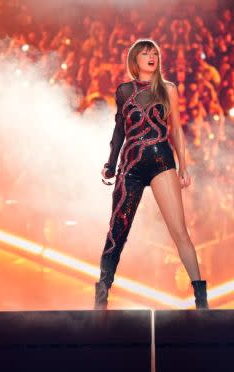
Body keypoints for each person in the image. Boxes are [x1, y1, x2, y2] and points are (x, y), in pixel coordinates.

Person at [96, 38, 209, 309]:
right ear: (135, 61)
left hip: (161, 161)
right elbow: (119, 131)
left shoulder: (168, 89)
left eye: (154, 53)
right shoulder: (124, 91)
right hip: (131, 165)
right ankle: (101, 299)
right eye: (145, 53)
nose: (151, 56)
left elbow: (177, 130)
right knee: (117, 232)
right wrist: (110, 164)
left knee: (179, 232)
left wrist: (184, 166)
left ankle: (201, 300)